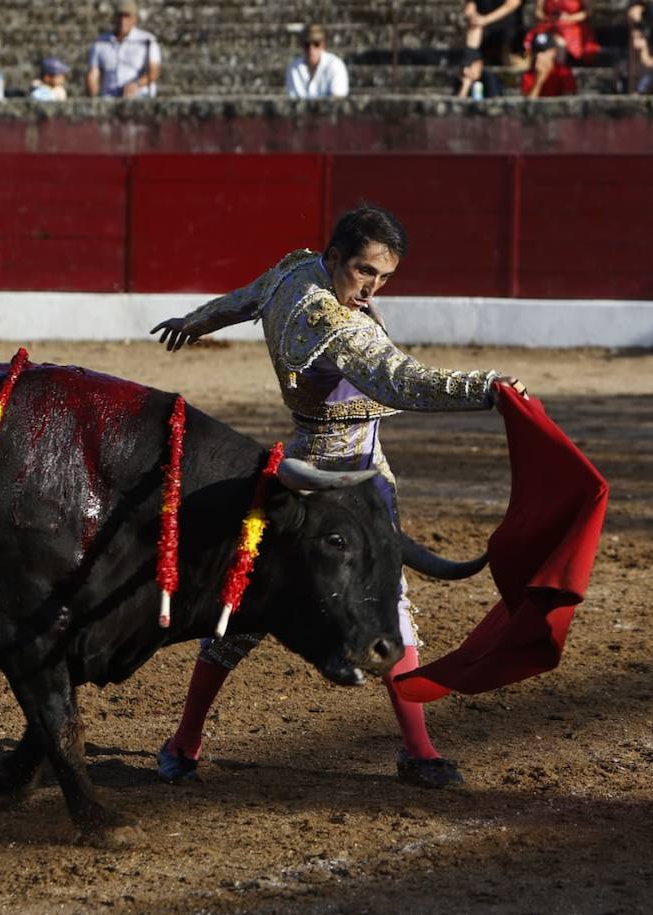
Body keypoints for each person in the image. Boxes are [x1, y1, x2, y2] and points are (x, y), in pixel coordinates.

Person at [149, 205, 530, 790]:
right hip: (355, 476)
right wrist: (487, 389)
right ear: (334, 259)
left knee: (248, 604)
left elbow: (242, 298)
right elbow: (402, 380)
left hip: (300, 463)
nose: (372, 288)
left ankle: (184, 743)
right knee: (385, 602)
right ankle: (419, 752)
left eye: (383, 277)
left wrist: (195, 321)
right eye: (363, 272)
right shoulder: (336, 327)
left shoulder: (294, 272)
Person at [86, 0, 160, 98]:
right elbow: (93, 73)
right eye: (119, 16)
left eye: (127, 16)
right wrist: (93, 94)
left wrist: (136, 84)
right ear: (114, 18)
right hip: (109, 96)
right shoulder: (100, 42)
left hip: (139, 94)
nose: (123, 20)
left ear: (135, 19)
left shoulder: (147, 41)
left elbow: (154, 72)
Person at [524, 0, 602, 62]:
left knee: (560, 43)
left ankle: (559, 70)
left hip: (572, 26)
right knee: (552, 40)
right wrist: (550, 18)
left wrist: (569, 17)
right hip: (550, 25)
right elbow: (538, 12)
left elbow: (588, 12)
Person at [286, 24, 349, 98]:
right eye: (307, 44)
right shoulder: (293, 67)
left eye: (316, 44)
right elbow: (293, 100)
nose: (311, 49)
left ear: (323, 44)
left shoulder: (336, 65)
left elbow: (338, 99)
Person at [464, 0, 524, 65]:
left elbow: (513, 4)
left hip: (505, 25)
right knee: (474, 29)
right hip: (481, 24)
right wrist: (473, 17)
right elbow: (470, 6)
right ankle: (470, 62)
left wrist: (485, 20)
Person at [521, 27, 578, 94]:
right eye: (537, 51)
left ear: (553, 52)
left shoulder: (564, 72)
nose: (539, 55)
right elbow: (528, 103)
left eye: (544, 51)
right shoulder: (528, 75)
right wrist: (539, 81)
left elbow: (568, 100)